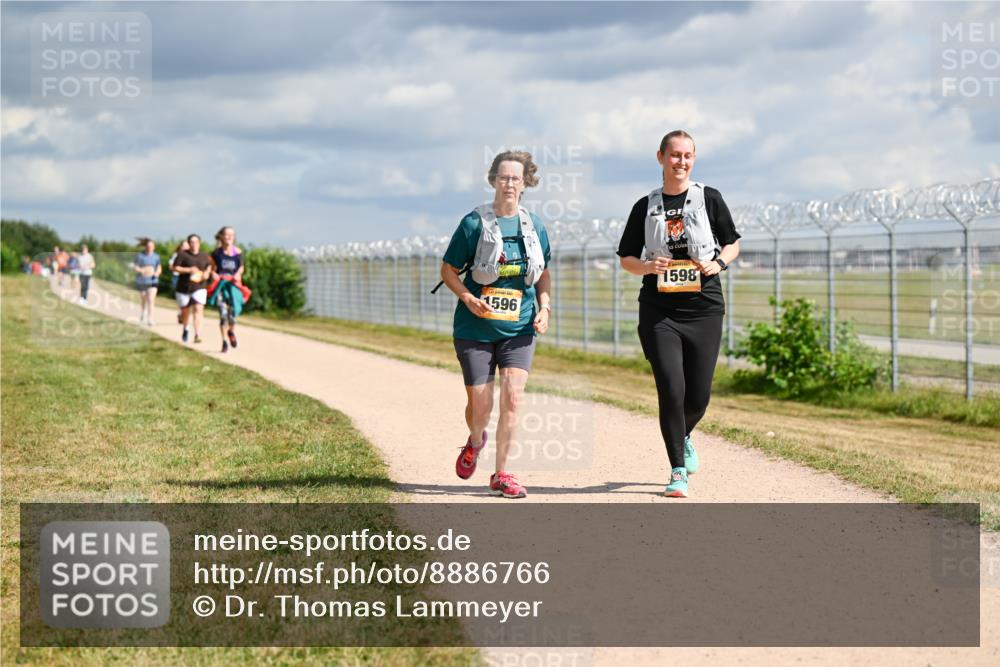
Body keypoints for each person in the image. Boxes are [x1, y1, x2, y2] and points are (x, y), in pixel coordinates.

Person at [617, 130, 741, 498]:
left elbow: (732, 243)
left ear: (694, 159)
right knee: (672, 389)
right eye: (674, 155)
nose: (681, 162)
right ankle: (677, 470)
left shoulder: (709, 198)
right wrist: (647, 266)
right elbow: (626, 258)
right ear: (661, 157)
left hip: (704, 309)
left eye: (687, 156)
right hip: (660, 312)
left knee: (698, 397)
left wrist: (719, 263)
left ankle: (682, 435)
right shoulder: (645, 206)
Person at [440, 150, 552, 499]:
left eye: (515, 178)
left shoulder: (535, 226)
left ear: (525, 183)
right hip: (475, 328)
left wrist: (545, 308)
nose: (509, 184)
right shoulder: (474, 224)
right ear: (493, 181)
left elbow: (543, 273)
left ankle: (502, 473)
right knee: (481, 406)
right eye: (503, 177)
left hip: (519, 328)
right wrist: (467, 297)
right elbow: (448, 270)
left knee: (513, 398)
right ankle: (476, 441)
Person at [208, 226, 246, 353]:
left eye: (232, 235)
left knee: (233, 314)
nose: (229, 237)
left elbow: (241, 267)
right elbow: (211, 268)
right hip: (221, 287)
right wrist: (213, 274)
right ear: (222, 237)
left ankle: (231, 331)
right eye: (227, 234)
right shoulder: (216, 253)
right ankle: (224, 341)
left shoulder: (238, 252)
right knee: (223, 315)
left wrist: (238, 274)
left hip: (234, 286)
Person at [173, 233, 213, 343]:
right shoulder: (182, 255)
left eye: (196, 242)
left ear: (199, 243)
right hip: (184, 287)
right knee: (185, 311)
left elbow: (209, 266)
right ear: (189, 243)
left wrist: (207, 273)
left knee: (198, 309)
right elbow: (175, 268)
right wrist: (188, 270)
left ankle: (197, 334)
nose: (194, 244)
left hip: (199, 286)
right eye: (192, 242)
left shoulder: (204, 255)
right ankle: (186, 328)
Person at [133, 238, 162, 325]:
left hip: (153, 280)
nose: (150, 247)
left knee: (151, 299)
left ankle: (150, 318)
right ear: (146, 247)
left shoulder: (156, 256)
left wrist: (157, 273)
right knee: (144, 298)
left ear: (154, 247)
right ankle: (143, 312)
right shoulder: (140, 256)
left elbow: (159, 267)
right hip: (142, 280)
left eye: (152, 246)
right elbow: (135, 267)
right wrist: (142, 270)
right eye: (148, 246)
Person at [168, 239, 190, 324]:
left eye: (186, 246)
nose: (185, 247)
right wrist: (178, 269)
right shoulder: (176, 255)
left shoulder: (190, 256)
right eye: (183, 246)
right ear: (180, 247)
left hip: (188, 278)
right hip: (177, 277)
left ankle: (183, 313)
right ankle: (181, 312)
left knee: (188, 298)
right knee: (180, 297)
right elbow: (170, 267)